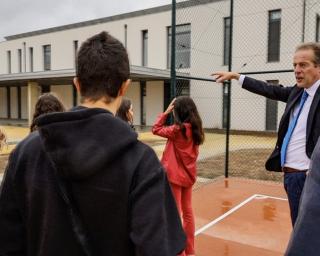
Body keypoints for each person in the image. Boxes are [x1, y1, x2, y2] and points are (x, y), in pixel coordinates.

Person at [0, 31, 186, 256]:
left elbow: (8, 241)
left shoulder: (25, 152)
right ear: (124, 87)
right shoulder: (142, 163)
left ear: (77, 84)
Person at [212, 42, 320, 226]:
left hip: (309, 177)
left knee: (306, 233)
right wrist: (238, 77)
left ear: (318, 67)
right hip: (291, 176)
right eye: (295, 65)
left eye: (303, 65)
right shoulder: (297, 92)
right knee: (301, 228)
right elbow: (269, 89)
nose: (297, 70)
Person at [152, 96, 205, 256]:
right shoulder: (196, 129)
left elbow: (155, 128)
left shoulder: (177, 130)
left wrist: (166, 112)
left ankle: (179, 252)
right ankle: (190, 251)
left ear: (178, 112)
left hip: (174, 177)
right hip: (188, 176)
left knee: (175, 214)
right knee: (188, 212)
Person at [285, 138, 320, 255]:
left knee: (305, 232)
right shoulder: (289, 118)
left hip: (304, 175)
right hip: (290, 174)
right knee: (298, 224)